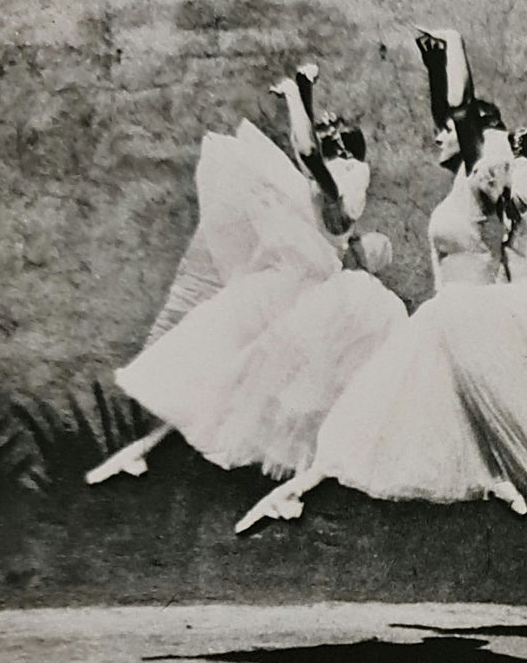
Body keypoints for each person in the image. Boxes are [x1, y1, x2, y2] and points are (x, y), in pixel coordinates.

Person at [235, 31, 527, 559]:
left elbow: (460, 111)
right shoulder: (464, 184)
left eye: (447, 132)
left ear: (477, 146)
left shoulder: (482, 184)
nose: (436, 135)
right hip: (450, 322)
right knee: (385, 418)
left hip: (475, 323)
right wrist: (433, 65)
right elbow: (451, 114)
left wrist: (454, 46)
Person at [89, 63, 404, 483]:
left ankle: (300, 478)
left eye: (338, 150)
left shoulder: (342, 194)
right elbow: (308, 154)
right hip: (290, 283)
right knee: (227, 370)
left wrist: (295, 95)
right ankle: (145, 449)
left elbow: (310, 154)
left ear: (349, 162)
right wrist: (303, 91)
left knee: (268, 383)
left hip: (310, 292)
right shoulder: (325, 184)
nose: (331, 154)